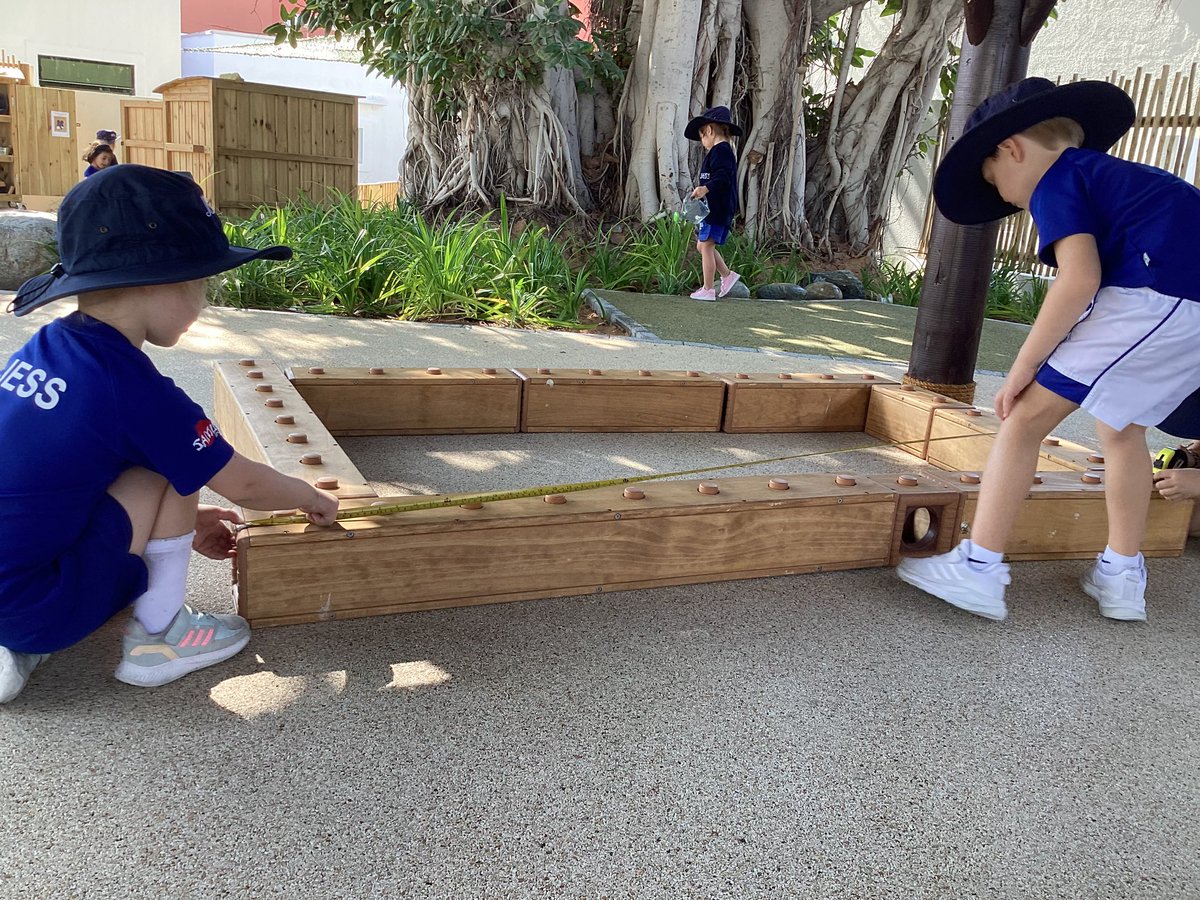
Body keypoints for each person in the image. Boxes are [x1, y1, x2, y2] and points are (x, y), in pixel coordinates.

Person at [0, 165, 340, 703]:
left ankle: (15, 643)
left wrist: (184, 522)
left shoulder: (48, 349)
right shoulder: (135, 390)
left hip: (13, 579)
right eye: (200, 284)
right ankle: (160, 636)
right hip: (40, 604)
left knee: (158, 454)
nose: (204, 303)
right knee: (178, 457)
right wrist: (310, 498)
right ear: (157, 281)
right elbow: (244, 485)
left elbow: (51, 482)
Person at [896, 77, 1200, 623]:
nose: (1006, 198)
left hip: (1156, 298)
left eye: (997, 181)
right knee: (1121, 427)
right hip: (1185, 311)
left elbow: (1079, 281)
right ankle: (1122, 576)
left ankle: (980, 568)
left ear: (1012, 148)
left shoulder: (1059, 177)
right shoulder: (1127, 178)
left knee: (1024, 418)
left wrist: (1024, 367)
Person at [684, 106, 741, 302]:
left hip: (718, 208)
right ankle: (727, 275)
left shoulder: (722, 151)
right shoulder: (718, 152)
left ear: (709, 130)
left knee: (706, 246)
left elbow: (723, 177)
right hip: (711, 208)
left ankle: (708, 289)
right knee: (702, 245)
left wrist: (705, 189)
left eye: (701, 136)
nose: (702, 141)